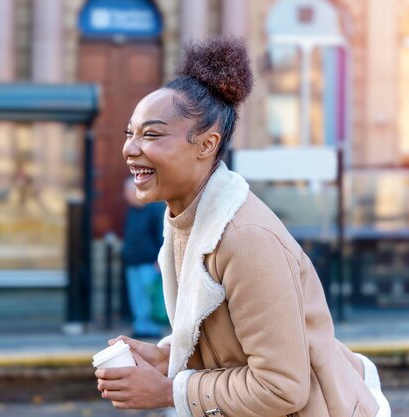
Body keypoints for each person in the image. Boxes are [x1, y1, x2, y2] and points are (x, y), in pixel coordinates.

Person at [95, 36, 391, 417]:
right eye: (130, 133)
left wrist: (170, 391)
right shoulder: (189, 221)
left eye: (151, 134)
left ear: (206, 145)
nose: (130, 148)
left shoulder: (244, 238)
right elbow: (234, 341)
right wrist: (166, 355)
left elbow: (281, 386)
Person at [122, 177, 166, 339]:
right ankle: (141, 327)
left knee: (150, 297)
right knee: (137, 297)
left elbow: (162, 236)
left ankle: (152, 329)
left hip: (150, 262)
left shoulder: (155, 209)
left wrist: (160, 260)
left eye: (127, 192)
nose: (125, 195)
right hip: (133, 262)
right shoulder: (132, 210)